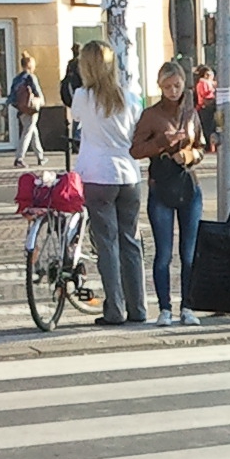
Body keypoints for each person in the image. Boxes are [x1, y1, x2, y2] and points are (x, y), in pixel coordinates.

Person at [70, 39, 147, 326]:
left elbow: (76, 117)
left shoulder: (83, 97)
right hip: (128, 174)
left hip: (97, 174)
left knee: (107, 244)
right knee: (130, 241)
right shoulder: (130, 97)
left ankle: (114, 308)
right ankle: (138, 307)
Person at [133, 61, 206, 327]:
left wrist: (187, 154)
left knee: (189, 252)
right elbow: (136, 149)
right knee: (163, 252)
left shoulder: (190, 112)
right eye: (167, 87)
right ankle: (165, 308)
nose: (173, 91)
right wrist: (162, 143)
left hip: (189, 185)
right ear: (160, 87)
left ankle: (188, 306)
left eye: (176, 85)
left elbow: (201, 145)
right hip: (161, 186)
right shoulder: (151, 115)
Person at [10, 53, 46, 166]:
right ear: (30, 65)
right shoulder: (31, 77)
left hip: (21, 110)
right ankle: (19, 158)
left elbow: (11, 97)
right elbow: (38, 93)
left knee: (33, 132)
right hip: (31, 110)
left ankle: (40, 157)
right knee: (27, 133)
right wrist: (41, 101)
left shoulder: (17, 79)